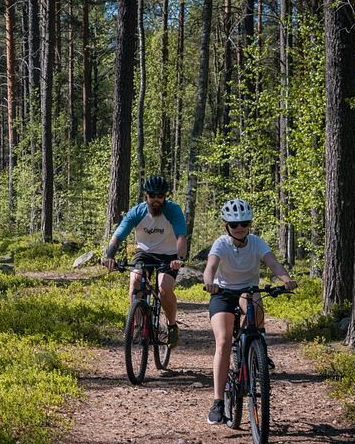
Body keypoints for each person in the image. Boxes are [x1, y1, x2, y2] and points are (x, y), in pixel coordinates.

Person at [202, 198, 298, 425]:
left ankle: (258, 346)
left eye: (244, 223)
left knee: (255, 302)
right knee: (224, 341)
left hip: (248, 290)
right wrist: (209, 282)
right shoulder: (221, 244)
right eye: (234, 224)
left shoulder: (256, 242)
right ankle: (217, 402)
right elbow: (211, 267)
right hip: (223, 293)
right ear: (226, 225)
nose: (240, 228)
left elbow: (272, 263)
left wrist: (286, 279)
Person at [102, 175, 187, 347]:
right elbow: (117, 237)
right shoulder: (137, 212)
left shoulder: (173, 210)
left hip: (169, 255)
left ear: (165, 197)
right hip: (144, 253)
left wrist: (179, 258)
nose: (156, 199)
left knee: (164, 287)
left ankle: (171, 326)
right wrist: (110, 256)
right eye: (152, 195)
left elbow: (181, 237)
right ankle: (139, 324)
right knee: (135, 280)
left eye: (160, 196)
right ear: (146, 196)